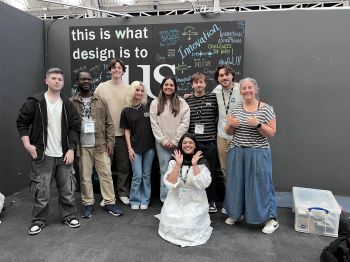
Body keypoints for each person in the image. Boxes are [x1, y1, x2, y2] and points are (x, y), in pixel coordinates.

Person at [16, 68, 81, 235]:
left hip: (64, 154)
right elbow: (21, 123)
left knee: (67, 189)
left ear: (63, 82)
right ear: (46, 81)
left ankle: (69, 215)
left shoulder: (68, 104)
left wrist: (72, 149)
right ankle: (38, 219)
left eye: (60, 79)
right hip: (43, 155)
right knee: (41, 190)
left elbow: (75, 128)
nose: (57, 81)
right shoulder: (35, 102)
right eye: (53, 78)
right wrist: (27, 145)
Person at [224, 77, 279, 234]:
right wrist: (230, 125)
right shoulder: (234, 109)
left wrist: (259, 124)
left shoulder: (266, 108)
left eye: (250, 88)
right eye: (244, 88)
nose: (247, 90)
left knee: (262, 185)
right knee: (236, 184)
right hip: (237, 151)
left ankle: (271, 219)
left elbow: (272, 133)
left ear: (255, 89)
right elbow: (229, 132)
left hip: (258, 152)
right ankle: (235, 213)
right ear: (240, 91)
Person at [70, 71, 123, 218]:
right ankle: (88, 204)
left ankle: (109, 203)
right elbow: (68, 127)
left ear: (92, 81)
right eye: (83, 79)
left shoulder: (100, 100)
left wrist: (110, 142)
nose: (86, 81)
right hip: (82, 147)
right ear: (78, 82)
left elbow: (110, 123)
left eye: (88, 79)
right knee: (85, 177)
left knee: (106, 174)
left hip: (100, 145)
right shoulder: (71, 102)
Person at [156, 133, 212, 247]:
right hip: (176, 197)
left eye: (190, 142)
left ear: (195, 145)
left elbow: (203, 184)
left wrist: (195, 165)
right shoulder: (175, 159)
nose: (187, 145)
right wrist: (178, 164)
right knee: (173, 220)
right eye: (185, 142)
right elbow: (170, 183)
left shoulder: (201, 161)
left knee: (189, 223)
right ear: (181, 145)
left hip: (195, 199)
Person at [94, 58, 131, 205]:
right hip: (105, 135)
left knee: (123, 167)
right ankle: (107, 196)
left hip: (123, 135)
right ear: (109, 70)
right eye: (114, 68)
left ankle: (122, 193)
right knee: (105, 168)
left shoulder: (129, 88)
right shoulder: (101, 87)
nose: (116, 70)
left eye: (119, 68)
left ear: (123, 70)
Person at [150, 77, 190, 202]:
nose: (168, 87)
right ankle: (165, 200)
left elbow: (185, 123)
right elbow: (154, 124)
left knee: (179, 171)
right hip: (162, 145)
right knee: (164, 171)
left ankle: (178, 200)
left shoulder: (182, 102)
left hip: (178, 144)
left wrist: (175, 141)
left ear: (175, 87)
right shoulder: (155, 103)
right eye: (166, 84)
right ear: (162, 87)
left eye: (171, 85)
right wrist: (163, 141)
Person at [186, 73, 219, 213]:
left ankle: (212, 201)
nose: (199, 85)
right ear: (192, 85)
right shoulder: (187, 100)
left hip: (210, 142)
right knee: (194, 172)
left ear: (205, 84)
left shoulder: (213, 98)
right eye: (196, 82)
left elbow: (220, 116)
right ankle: (196, 199)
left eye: (201, 82)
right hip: (194, 145)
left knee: (211, 173)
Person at [212, 65, 242, 214]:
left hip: (240, 136)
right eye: (221, 75)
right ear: (218, 79)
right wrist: (189, 97)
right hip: (222, 136)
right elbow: (203, 96)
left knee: (239, 171)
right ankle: (230, 203)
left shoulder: (241, 89)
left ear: (232, 76)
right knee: (225, 172)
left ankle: (241, 203)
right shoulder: (216, 91)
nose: (224, 78)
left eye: (226, 74)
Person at [120, 81, 155, 210]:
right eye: (137, 90)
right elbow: (126, 131)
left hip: (149, 147)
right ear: (132, 91)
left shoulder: (148, 106)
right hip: (135, 148)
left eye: (141, 90)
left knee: (146, 175)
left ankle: (145, 199)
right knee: (137, 175)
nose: (140, 93)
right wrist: (130, 149)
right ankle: (135, 199)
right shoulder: (126, 111)